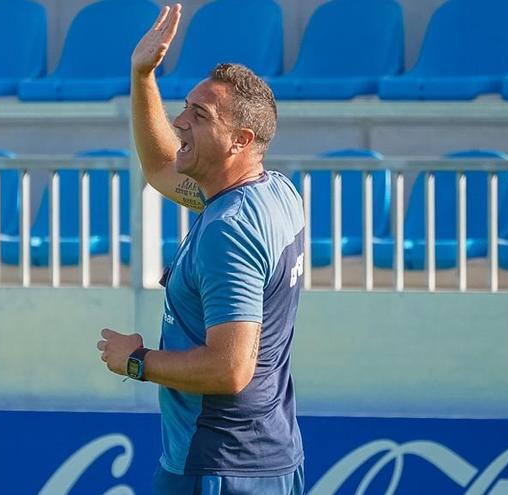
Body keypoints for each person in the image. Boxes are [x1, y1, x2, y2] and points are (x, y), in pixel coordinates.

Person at [96, 4, 305, 494]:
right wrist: (142, 75)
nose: (180, 120)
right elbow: (159, 168)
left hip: (218, 466)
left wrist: (137, 360)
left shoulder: (229, 229)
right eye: (185, 106)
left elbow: (229, 368)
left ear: (240, 140)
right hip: (269, 456)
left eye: (199, 114)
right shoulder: (276, 191)